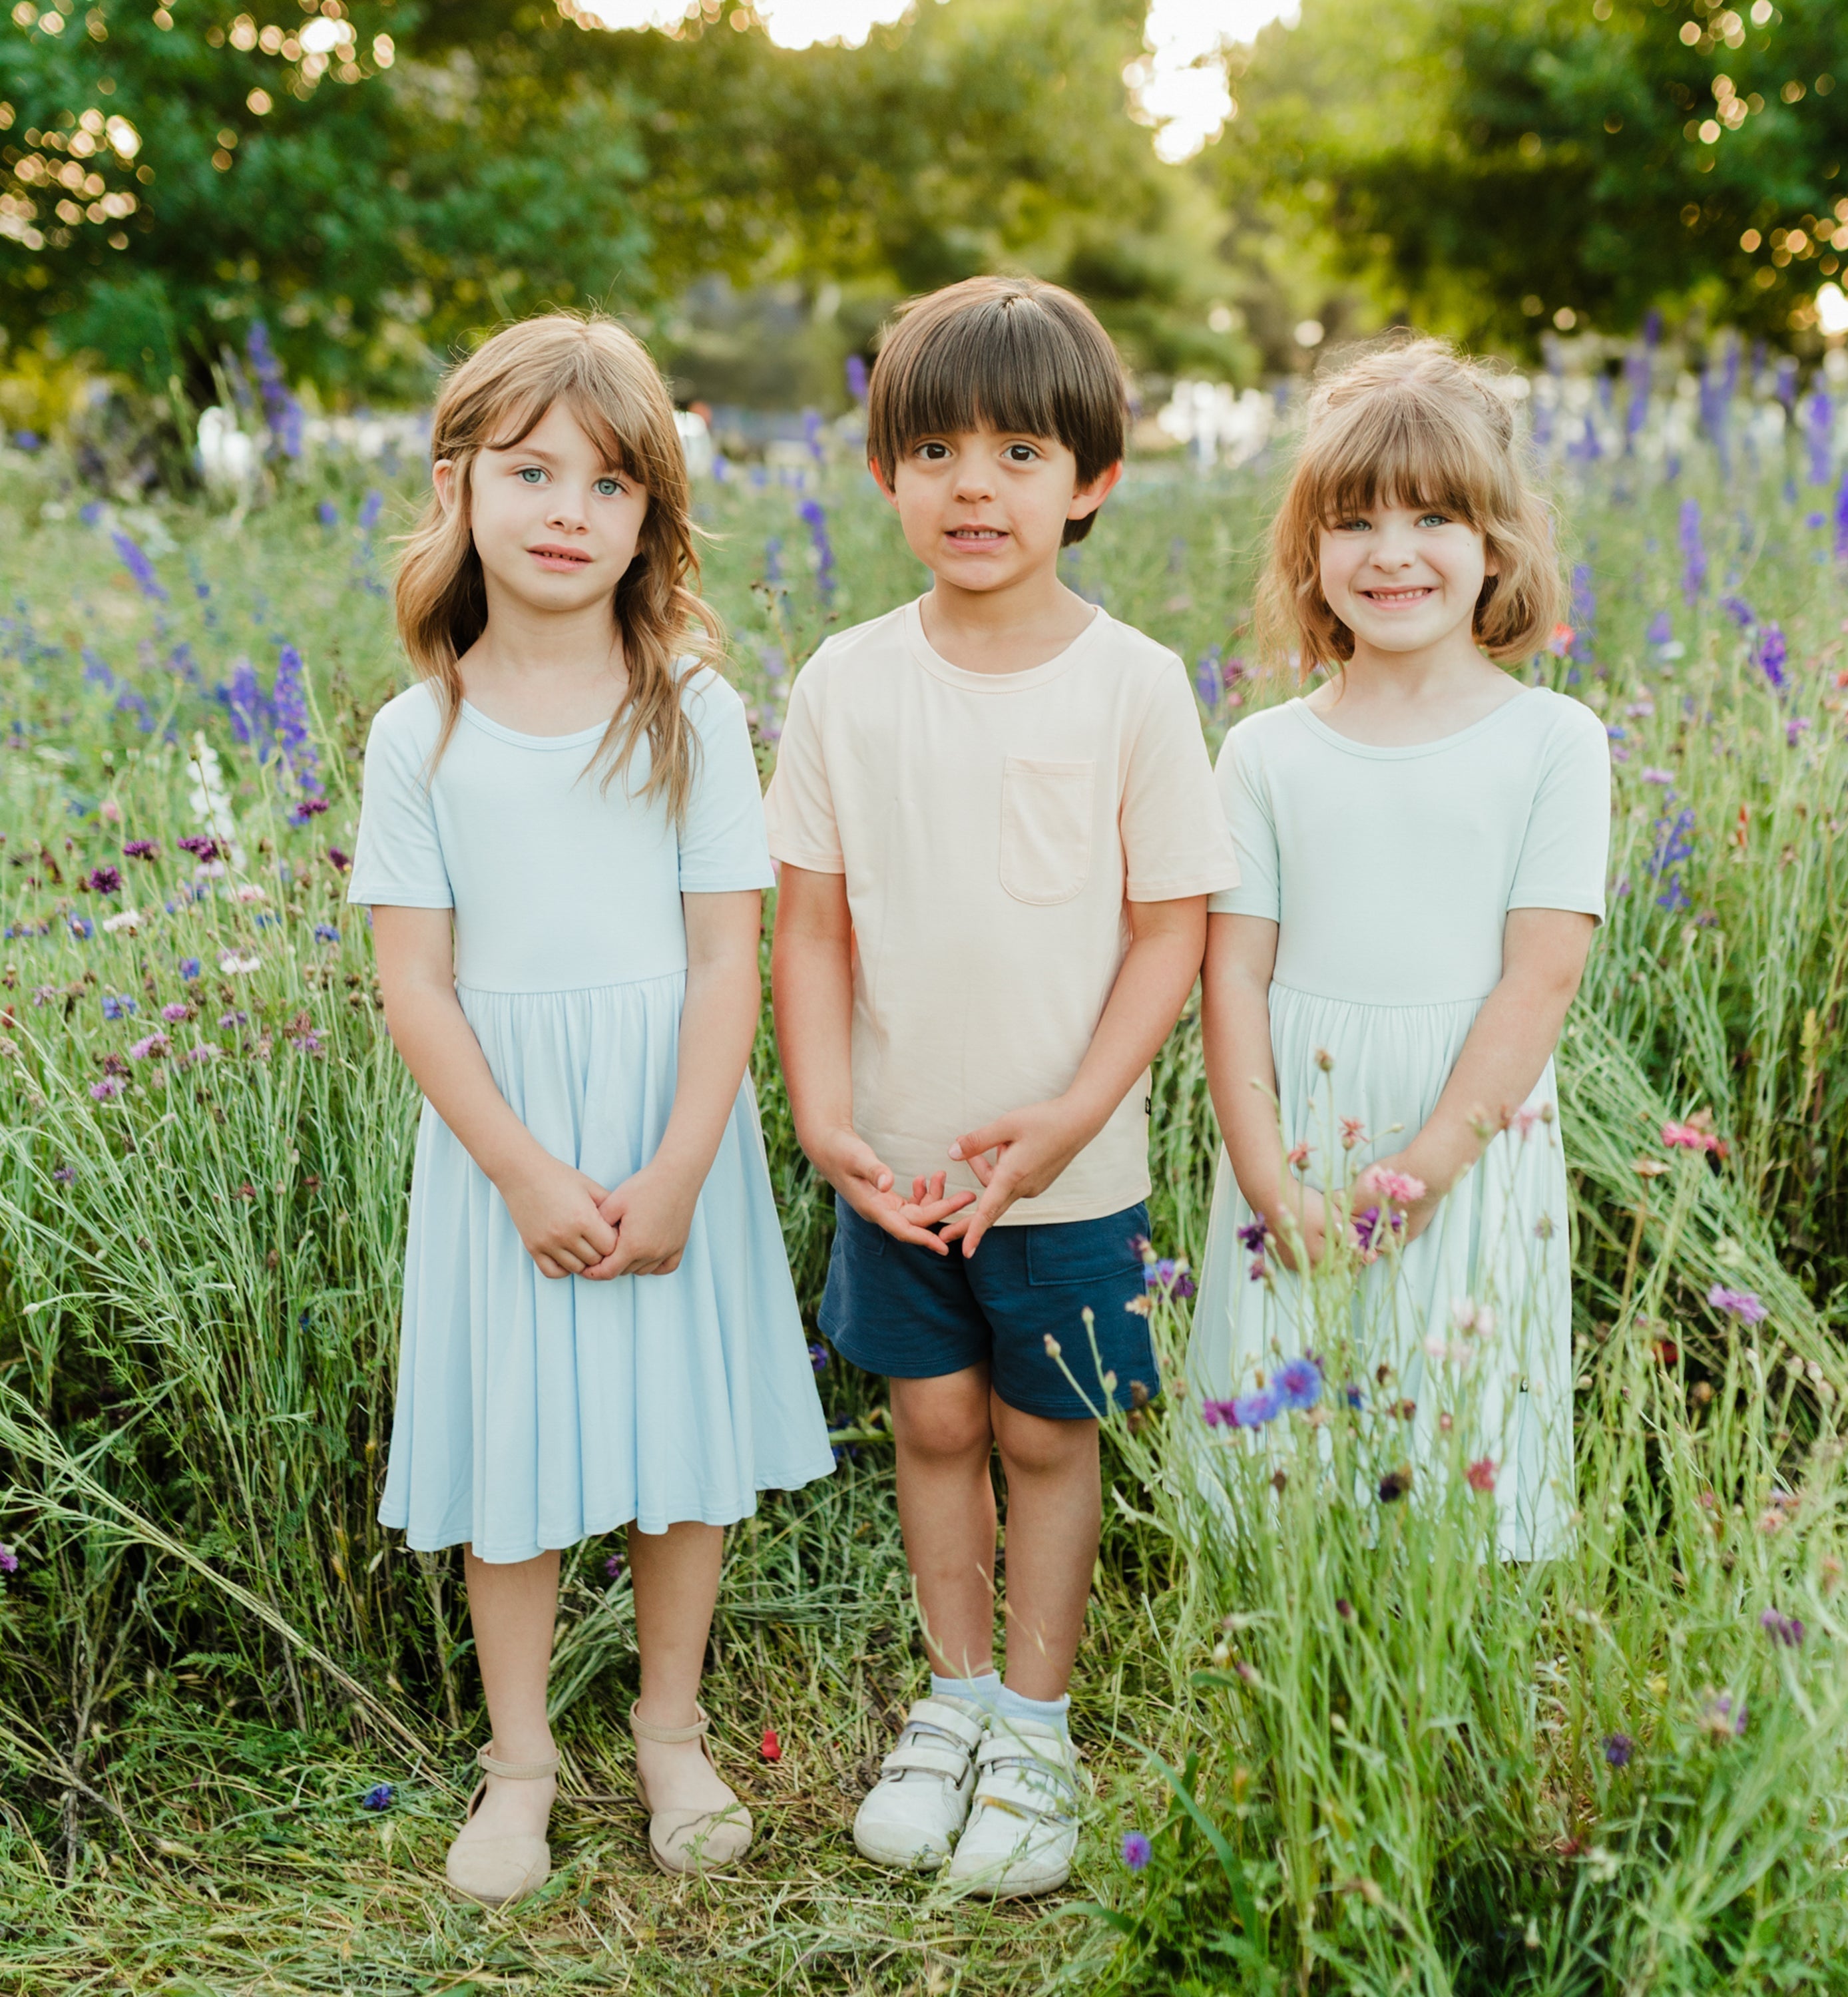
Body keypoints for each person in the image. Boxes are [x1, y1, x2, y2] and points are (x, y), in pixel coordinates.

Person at [349, 314, 833, 1907]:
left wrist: (684, 1162)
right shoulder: (418, 734)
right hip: (507, 1147)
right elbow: (416, 984)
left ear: (650, 522)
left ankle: (671, 1732)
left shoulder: (685, 707)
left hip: (662, 1121)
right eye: (532, 471)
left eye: (610, 484)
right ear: (461, 485)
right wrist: (522, 1172)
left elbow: (721, 957)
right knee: (521, 1460)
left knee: (671, 1445)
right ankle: (519, 1766)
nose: (568, 509)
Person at [765, 276, 1239, 1896]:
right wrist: (826, 1121)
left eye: (1022, 451)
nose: (977, 485)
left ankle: (1035, 1728)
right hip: (896, 1166)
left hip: (1070, 1173)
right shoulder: (843, 681)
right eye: (938, 449)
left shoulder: (1133, 683)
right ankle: (954, 1699)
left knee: (1046, 1437)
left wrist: (1068, 1121)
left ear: (1092, 481)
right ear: (886, 471)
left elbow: (1171, 932)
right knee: (932, 1420)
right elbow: (813, 928)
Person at [1194, 335, 1609, 1561]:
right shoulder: (1266, 753)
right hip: (1300, 1131)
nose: (1390, 551)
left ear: (1498, 545)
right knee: (1291, 1475)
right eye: (1354, 520)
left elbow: (1542, 976)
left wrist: (1425, 1171)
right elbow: (1235, 973)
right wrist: (1269, 1174)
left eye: (1432, 515)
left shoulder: (1553, 741)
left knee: (1453, 1450)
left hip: (1465, 1135)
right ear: (1310, 555)